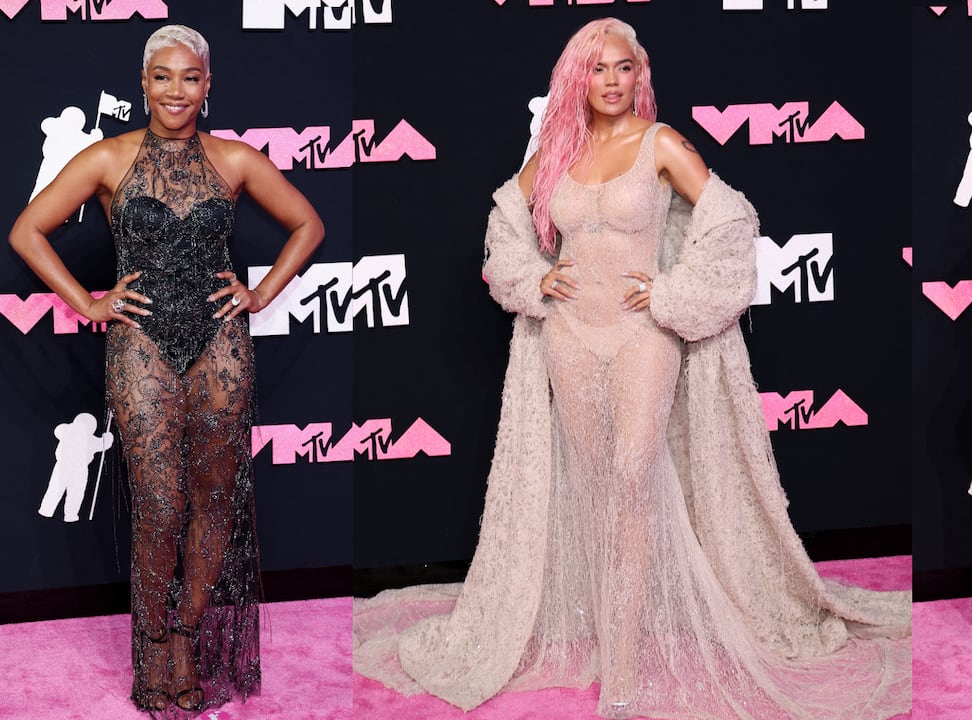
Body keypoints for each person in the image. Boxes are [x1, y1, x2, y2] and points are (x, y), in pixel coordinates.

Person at [353, 17, 910, 720]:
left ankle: (622, 663)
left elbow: (733, 223)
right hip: (570, 334)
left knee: (633, 473)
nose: (612, 81)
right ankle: (606, 627)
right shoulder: (556, 150)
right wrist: (533, 278)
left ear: (638, 75)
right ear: (576, 77)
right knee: (593, 485)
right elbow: (502, 220)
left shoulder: (662, 143)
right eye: (598, 69)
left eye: (624, 68)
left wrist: (674, 294)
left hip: (644, 332)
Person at [9, 25, 323, 717]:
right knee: (160, 507)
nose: (176, 90)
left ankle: (185, 636)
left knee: (214, 503)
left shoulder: (236, 160)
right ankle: (153, 648)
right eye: (162, 77)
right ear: (143, 84)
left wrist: (258, 294)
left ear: (208, 88)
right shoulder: (108, 158)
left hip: (222, 346)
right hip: (139, 346)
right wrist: (88, 302)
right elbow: (28, 229)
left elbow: (308, 224)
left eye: (190, 78)